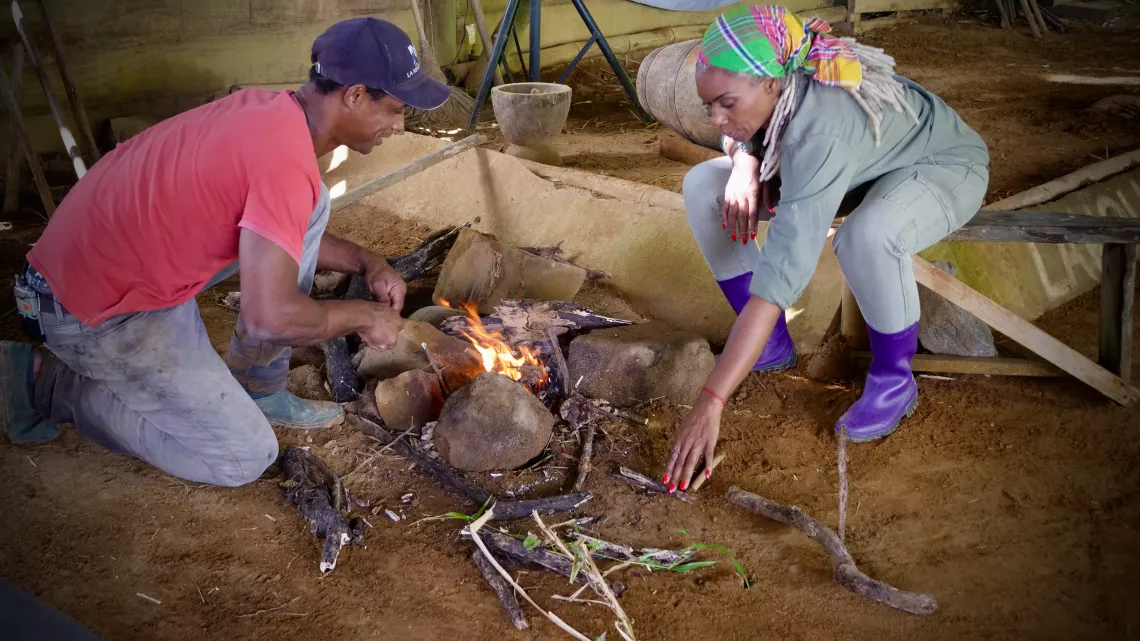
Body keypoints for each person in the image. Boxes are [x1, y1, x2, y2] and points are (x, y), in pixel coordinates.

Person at [0, 17, 451, 487]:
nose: (399, 125)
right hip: (90, 306)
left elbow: (280, 225)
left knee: (312, 204)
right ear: (355, 95)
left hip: (122, 264)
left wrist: (366, 262)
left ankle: (258, 386)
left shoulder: (271, 113)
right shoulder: (282, 164)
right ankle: (41, 385)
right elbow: (267, 318)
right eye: (396, 109)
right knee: (241, 456)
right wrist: (364, 316)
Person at [663, 6, 989, 491]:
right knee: (703, 186)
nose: (716, 118)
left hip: (940, 165)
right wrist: (746, 160)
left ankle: (894, 379)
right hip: (864, 169)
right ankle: (769, 347)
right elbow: (744, 139)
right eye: (709, 104)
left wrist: (712, 399)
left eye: (727, 104)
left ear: (772, 83)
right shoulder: (780, 88)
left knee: (866, 237)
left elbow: (780, 283)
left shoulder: (822, 127)